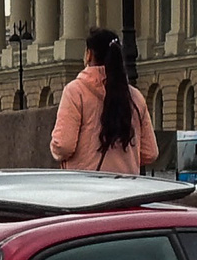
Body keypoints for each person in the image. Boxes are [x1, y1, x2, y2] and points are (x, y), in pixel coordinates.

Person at [50, 28, 159, 173]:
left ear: (89, 54)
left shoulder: (76, 92)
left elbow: (64, 146)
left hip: (87, 187)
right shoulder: (134, 96)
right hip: (128, 189)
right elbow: (150, 152)